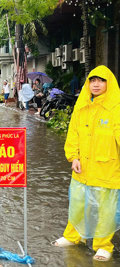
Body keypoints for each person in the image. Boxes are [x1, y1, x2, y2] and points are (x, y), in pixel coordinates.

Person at [52, 65, 120, 262]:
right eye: (92, 80)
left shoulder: (116, 107)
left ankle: (103, 245)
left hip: (108, 168)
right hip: (82, 168)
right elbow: (73, 134)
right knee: (78, 204)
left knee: (106, 208)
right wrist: (73, 157)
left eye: (101, 80)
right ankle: (74, 237)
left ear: (109, 83)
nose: (96, 84)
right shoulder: (81, 107)